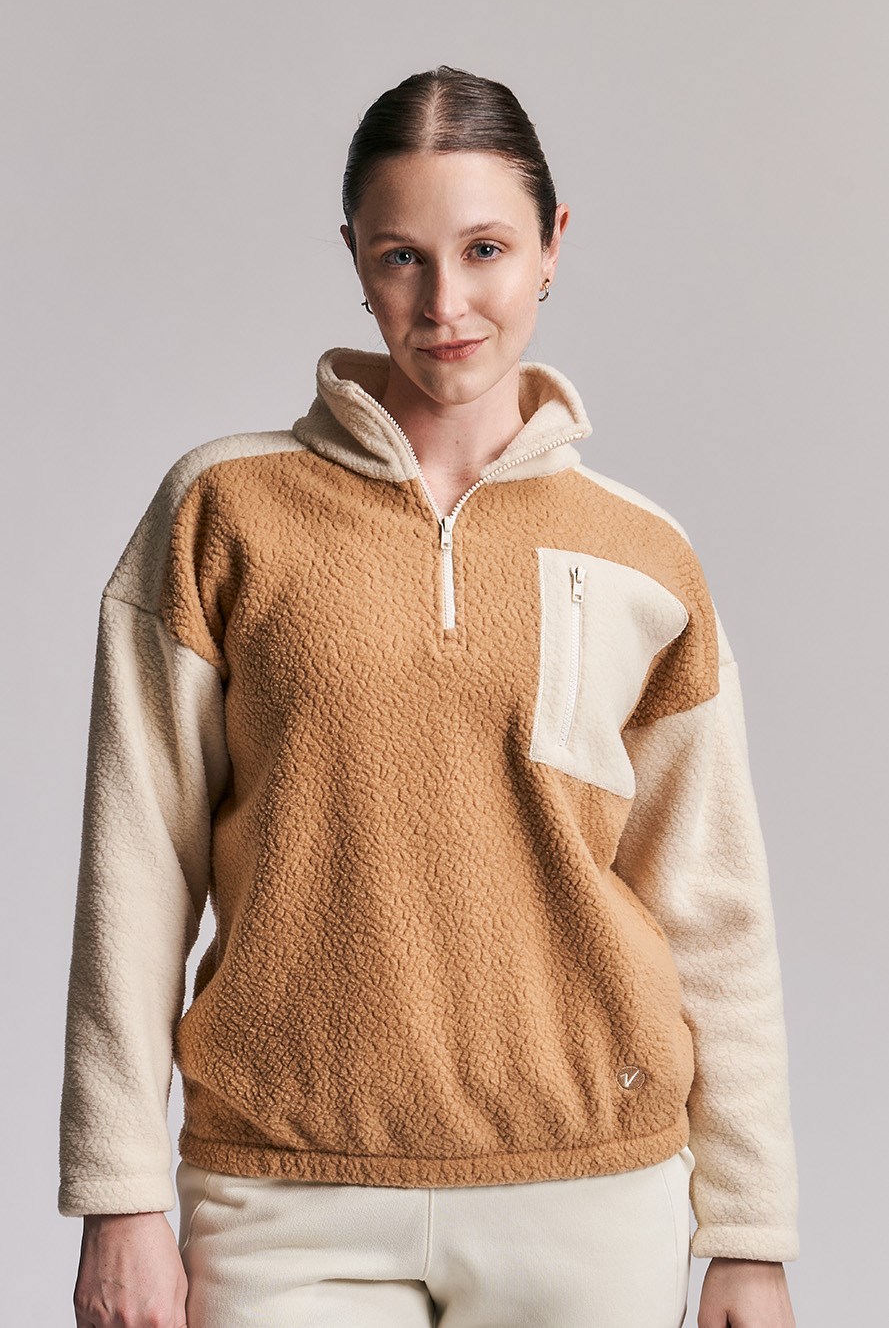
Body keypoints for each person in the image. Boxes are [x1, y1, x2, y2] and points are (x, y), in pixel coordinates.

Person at [59, 65, 799, 1328]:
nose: (445, 302)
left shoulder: (642, 554)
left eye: (486, 249)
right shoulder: (222, 512)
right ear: (355, 256)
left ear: (553, 246)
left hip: (592, 1193)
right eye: (401, 255)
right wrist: (118, 1192)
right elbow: (135, 869)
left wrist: (748, 1234)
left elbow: (712, 909)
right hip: (280, 1190)